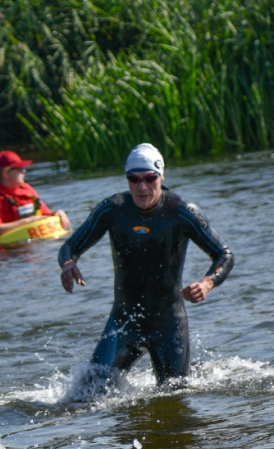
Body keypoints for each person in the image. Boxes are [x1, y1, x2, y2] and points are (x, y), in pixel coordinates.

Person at [58, 143, 234, 386]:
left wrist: (206, 283)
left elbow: (223, 254)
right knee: (87, 392)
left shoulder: (181, 211)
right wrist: (68, 264)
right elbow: (71, 246)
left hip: (168, 322)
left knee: (175, 398)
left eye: (150, 179)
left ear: (161, 176)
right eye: (134, 179)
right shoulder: (112, 209)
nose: (142, 187)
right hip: (123, 320)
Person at [0, 150, 72, 243]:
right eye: (20, 169)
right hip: (10, 249)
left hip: (36, 244)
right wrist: (28, 221)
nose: (24, 171)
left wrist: (59, 213)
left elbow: (45, 214)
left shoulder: (27, 189)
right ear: (5, 173)